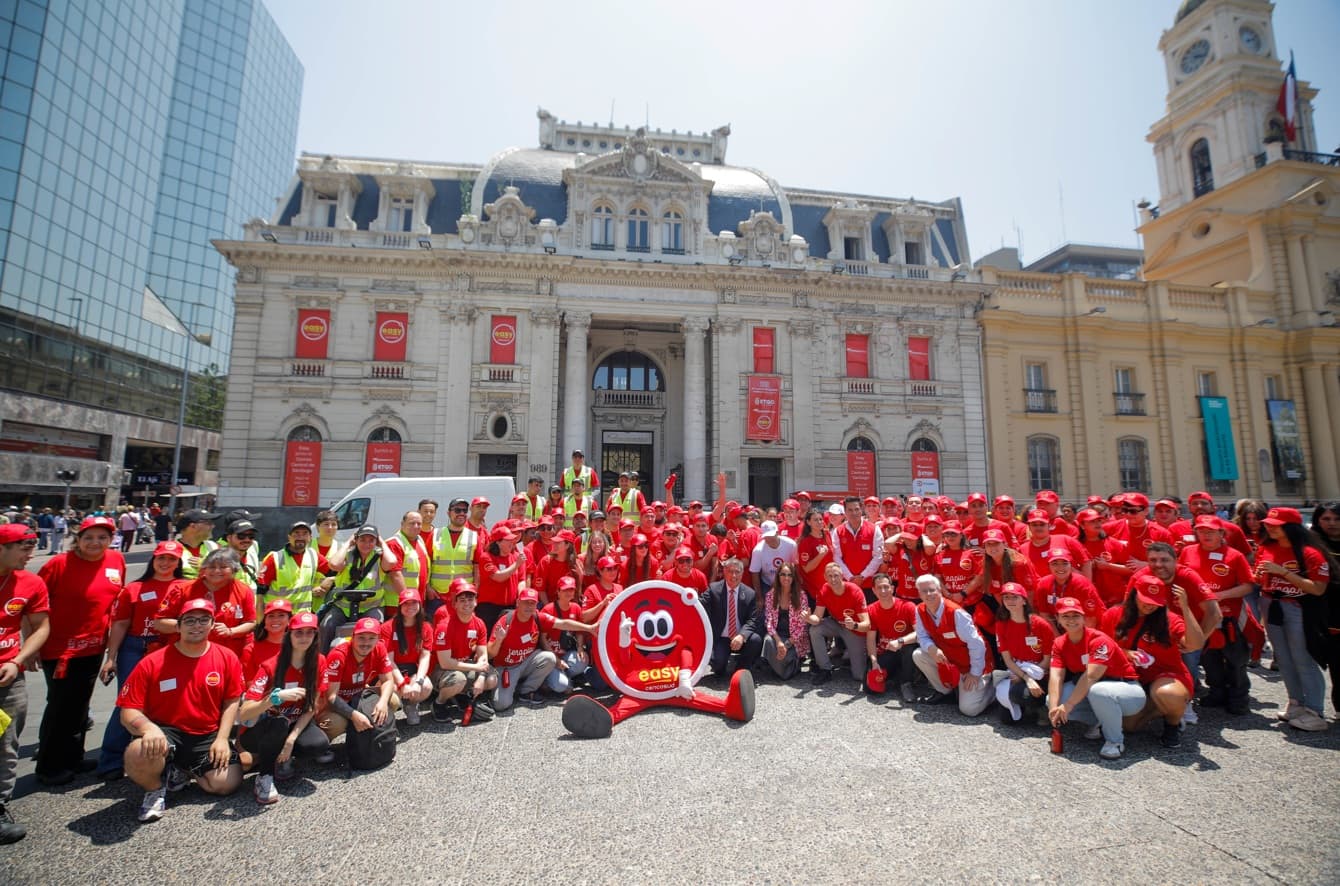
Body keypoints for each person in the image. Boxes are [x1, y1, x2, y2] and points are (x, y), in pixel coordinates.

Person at [119, 598, 244, 822]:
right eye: (189, 620)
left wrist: (223, 739)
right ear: (178, 626)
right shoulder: (152, 662)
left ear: (212, 623)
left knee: (226, 784)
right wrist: (148, 729)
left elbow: (232, 702)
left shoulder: (227, 657)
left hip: (206, 733)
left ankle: (182, 771)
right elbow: (128, 711)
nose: (197, 625)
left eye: (203, 619)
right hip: (167, 731)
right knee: (138, 752)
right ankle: (156, 789)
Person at [35, 514, 127, 785]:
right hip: (60, 649)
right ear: (78, 539)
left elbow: (114, 602)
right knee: (60, 706)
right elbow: (34, 606)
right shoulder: (58, 564)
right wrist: (31, 646)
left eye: (102, 538)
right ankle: (48, 767)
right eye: (88, 537)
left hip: (94, 646)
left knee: (80, 705)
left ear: (111, 540)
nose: (95, 543)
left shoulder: (115, 561)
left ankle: (74, 757)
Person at [96, 540, 188, 778]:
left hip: (171, 651)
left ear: (179, 562)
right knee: (127, 702)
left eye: (172, 559)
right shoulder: (134, 589)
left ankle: (164, 757)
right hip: (135, 648)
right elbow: (120, 624)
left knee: (168, 703)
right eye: (161, 558)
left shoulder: (187, 587)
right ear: (153, 560)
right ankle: (111, 761)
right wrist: (111, 657)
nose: (166, 563)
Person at [236, 611, 333, 803]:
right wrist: (273, 699)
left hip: (295, 721)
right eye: (299, 633)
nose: (304, 638)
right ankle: (264, 776)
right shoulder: (270, 665)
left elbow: (311, 707)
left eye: (309, 632)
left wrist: (291, 740)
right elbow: (244, 712)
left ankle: (284, 755)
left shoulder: (319, 662)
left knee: (318, 744)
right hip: (261, 728)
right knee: (278, 723)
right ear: (289, 634)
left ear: (315, 635)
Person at [1103, 574, 1205, 749]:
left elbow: (1195, 644)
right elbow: (1103, 646)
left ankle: (1172, 724)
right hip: (1133, 678)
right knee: (1129, 726)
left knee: (1169, 695)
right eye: (1145, 599)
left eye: (1155, 601)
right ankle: (1161, 708)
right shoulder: (1114, 614)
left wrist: (1186, 608)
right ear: (1134, 595)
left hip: (1166, 675)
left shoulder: (1169, 619)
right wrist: (1125, 652)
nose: (1149, 605)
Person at [1255, 507, 1334, 731]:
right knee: (1283, 658)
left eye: (1275, 524)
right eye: (1267, 524)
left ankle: (1315, 709)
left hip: (1297, 607)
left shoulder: (1309, 553)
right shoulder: (1266, 547)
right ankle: (1295, 702)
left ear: (1290, 527)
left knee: (1303, 658)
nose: (1268, 527)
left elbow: (1318, 589)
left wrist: (1284, 573)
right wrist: (1259, 576)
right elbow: (1259, 577)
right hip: (1271, 603)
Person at [1047, 596, 1145, 760]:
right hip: (1095, 691)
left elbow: (1092, 675)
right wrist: (1053, 707)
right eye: (1065, 616)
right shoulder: (1059, 643)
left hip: (1127, 690)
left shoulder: (1099, 640)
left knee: (1098, 691)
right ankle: (1098, 722)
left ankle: (1115, 742)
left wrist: (1069, 704)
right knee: (1052, 700)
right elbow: (1056, 676)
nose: (1071, 620)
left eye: (1075, 615)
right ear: (1057, 619)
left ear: (1083, 617)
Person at [0, 523, 50, 842]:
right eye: (24, 547)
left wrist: (18, 660)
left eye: (33, 546)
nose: (31, 554)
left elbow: (41, 627)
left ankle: (0, 806)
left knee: (5, 743)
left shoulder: (31, 582)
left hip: (7, 678)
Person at [1178, 515, 1255, 715]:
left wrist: (1219, 595)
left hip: (1228, 616)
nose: (1206, 535)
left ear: (1222, 533)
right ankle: (1216, 692)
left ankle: (1239, 697)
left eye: (1211, 531)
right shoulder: (1187, 552)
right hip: (1199, 616)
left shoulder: (1234, 556)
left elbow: (1248, 585)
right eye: (1202, 531)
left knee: (1235, 658)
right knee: (1208, 657)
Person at [488, 588, 593, 710]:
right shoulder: (506, 620)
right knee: (501, 704)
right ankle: (512, 686)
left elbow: (564, 623)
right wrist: (499, 640)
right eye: (525, 602)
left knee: (549, 657)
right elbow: (490, 654)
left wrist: (589, 628)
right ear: (517, 603)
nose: (529, 606)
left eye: (532, 603)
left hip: (527, 662)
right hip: (507, 667)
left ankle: (526, 691)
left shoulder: (537, 617)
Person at [154, 548, 257, 662]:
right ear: (204, 569)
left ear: (234, 570)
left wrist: (230, 631)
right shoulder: (183, 590)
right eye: (211, 567)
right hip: (187, 654)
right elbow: (159, 623)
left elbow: (251, 622)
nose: (217, 571)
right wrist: (186, 626)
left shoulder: (243, 590)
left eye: (223, 567)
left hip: (228, 656)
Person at [912, 573, 994, 715]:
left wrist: (975, 673)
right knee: (919, 655)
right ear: (919, 593)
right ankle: (946, 691)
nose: (929, 594)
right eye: (924, 591)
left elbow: (977, 645)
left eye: (932, 590)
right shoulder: (920, 610)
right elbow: (922, 636)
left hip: (973, 665)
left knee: (969, 710)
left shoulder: (956, 613)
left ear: (940, 591)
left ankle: (994, 687)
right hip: (951, 661)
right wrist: (931, 648)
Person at [320, 525, 402, 652]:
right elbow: (334, 564)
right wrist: (348, 543)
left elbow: (392, 562)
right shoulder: (347, 556)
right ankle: (323, 661)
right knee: (326, 626)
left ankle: (376, 660)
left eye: (371, 540)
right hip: (343, 606)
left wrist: (381, 542)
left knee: (376, 628)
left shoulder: (379, 557)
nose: (366, 544)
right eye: (362, 540)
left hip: (371, 607)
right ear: (356, 540)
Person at [319, 617, 397, 742]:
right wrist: (353, 715)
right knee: (336, 724)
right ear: (353, 636)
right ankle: (322, 744)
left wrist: (382, 702)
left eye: (371, 638)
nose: (366, 643)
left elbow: (388, 680)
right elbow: (331, 697)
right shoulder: (339, 655)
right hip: (337, 702)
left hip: (358, 696)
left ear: (378, 639)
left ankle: (370, 735)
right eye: (361, 637)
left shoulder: (379, 648)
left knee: (392, 700)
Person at [430, 582, 497, 723]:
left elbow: (483, 654)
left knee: (491, 680)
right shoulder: (444, 626)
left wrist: (481, 677)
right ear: (454, 604)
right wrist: (476, 668)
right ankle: (439, 703)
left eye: (470, 599)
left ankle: (462, 694)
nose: (467, 603)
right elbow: (445, 662)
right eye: (462, 600)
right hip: (441, 670)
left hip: (465, 665)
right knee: (458, 680)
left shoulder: (479, 623)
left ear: (476, 602)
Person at [992, 582, 1053, 723]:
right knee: (1006, 720)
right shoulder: (1001, 625)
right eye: (1006, 597)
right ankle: (1025, 707)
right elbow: (1008, 660)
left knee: (1022, 694)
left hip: (1041, 674)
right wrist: (1026, 678)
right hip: (1017, 672)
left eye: (1014, 597)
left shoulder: (1040, 624)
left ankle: (1040, 707)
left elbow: (1048, 660)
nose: (1010, 601)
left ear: (1024, 601)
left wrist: (1031, 677)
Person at [806, 561, 870, 683]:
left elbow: (867, 625)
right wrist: (809, 618)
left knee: (859, 676)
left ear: (842, 576)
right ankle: (825, 669)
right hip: (837, 624)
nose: (833, 579)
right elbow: (817, 617)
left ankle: (860, 655)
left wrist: (854, 625)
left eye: (836, 575)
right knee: (815, 629)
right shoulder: (824, 589)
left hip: (855, 629)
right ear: (825, 577)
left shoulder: (854, 591)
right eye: (829, 576)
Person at [379, 589, 434, 725]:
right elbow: (388, 660)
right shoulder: (387, 627)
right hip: (391, 671)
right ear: (400, 606)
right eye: (406, 604)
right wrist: (402, 683)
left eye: (414, 603)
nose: (410, 607)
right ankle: (387, 716)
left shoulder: (426, 627)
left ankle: (412, 705)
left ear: (420, 605)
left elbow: (425, 657)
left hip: (412, 669)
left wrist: (418, 682)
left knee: (426, 687)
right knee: (393, 698)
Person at [703, 558, 765, 679]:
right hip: (721, 637)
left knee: (756, 639)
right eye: (730, 571)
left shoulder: (749, 593)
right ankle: (719, 663)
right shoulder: (713, 589)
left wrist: (742, 635)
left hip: (740, 637)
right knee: (719, 668)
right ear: (724, 571)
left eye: (737, 572)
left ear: (742, 574)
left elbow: (752, 619)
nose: (734, 575)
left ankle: (741, 668)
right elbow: (699, 604)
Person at [257, 520, 333, 613]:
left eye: (305, 534)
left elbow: (335, 571)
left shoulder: (313, 555)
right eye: (296, 533)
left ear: (310, 538)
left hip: (302, 617)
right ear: (289, 537)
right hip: (278, 616)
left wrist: (330, 580)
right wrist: (259, 621)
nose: (300, 537)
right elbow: (260, 593)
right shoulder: (275, 558)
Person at [865, 573, 918, 701]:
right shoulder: (871, 609)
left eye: (886, 587)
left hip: (905, 649)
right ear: (874, 590)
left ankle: (906, 683)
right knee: (870, 688)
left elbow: (920, 634)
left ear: (892, 589)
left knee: (908, 648)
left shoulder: (908, 606)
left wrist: (900, 641)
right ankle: (895, 678)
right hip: (886, 651)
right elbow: (871, 639)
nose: (883, 591)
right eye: (879, 588)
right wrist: (874, 661)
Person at [1310, 502, 1340, 716]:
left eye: (1337, 519)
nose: (1332, 524)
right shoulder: (1312, 546)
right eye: (1326, 519)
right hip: (1328, 611)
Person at [541, 576, 592, 694]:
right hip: (551, 655)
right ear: (558, 591)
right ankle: (550, 679)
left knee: (583, 660)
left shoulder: (576, 608)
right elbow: (542, 638)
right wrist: (556, 660)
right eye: (565, 590)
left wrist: (580, 647)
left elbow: (579, 631)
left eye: (571, 590)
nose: (569, 593)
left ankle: (563, 676)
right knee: (561, 686)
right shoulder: (548, 609)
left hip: (566, 653)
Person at [1076, 508, 1134, 607]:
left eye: (1099, 520)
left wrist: (1108, 566)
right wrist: (1087, 568)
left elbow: (1131, 569)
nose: (1097, 524)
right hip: (1086, 599)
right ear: (1082, 525)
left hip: (1115, 600)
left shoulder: (1113, 543)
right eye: (1092, 521)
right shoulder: (1074, 544)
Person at [428, 498, 482, 603]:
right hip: (438, 595)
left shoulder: (473, 536)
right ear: (449, 513)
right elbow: (426, 564)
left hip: (464, 594)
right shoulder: (435, 534)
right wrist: (428, 587)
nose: (461, 513)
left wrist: (476, 587)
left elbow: (477, 566)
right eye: (457, 510)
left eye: (464, 511)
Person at [762, 563, 809, 681]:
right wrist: (778, 642)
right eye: (783, 574)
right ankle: (787, 669)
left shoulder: (801, 596)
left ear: (794, 577)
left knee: (782, 655)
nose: (786, 578)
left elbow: (802, 626)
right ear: (778, 576)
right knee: (767, 640)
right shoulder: (770, 596)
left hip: (793, 640)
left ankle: (781, 668)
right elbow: (769, 622)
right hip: (777, 637)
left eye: (789, 575)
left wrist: (787, 644)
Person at [830, 496, 884, 595]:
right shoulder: (838, 531)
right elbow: (836, 557)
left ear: (861, 510)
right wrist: (850, 577)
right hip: (847, 583)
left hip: (870, 585)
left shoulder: (874, 529)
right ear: (845, 512)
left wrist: (863, 576)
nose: (854, 513)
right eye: (850, 510)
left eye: (856, 509)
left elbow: (878, 557)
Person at [478, 527, 526, 633]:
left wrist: (521, 596)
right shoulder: (486, 557)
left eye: (512, 539)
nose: (512, 542)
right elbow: (498, 577)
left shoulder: (516, 557)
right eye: (508, 540)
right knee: (489, 637)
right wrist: (516, 565)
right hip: (489, 608)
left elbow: (521, 580)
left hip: (510, 607)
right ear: (498, 542)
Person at [382, 510, 428, 616]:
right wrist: (408, 601)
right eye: (412, 523)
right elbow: (395, 575)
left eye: (419, 524)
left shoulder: (419, 539)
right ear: (402, 524)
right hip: (399, 603)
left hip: (416, 600)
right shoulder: (394, 543)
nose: (416, 526)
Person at [243, 600, 293, 682]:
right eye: (271, 616)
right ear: (264, 621)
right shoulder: (250, 650)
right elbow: (250, 685)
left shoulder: (298, 648)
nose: (275, 619)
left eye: (281, 615)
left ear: (289, 620)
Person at [796, 508, 834, 604]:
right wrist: (820, 555)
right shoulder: (805, 542)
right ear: (808, 522)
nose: (819, 522)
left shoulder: (827, 534)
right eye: (815, 520)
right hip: (813, 590)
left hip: (829, 586)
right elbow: (806, 568)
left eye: (820, 519)